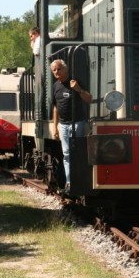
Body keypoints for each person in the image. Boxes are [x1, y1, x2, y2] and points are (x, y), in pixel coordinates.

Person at [51, 59, 92, 192]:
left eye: (59, 69)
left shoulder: (76, 82)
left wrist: (78, 89)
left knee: (78, 153)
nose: (57, 72)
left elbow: (89, 99)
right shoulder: (55, 86)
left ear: (65, 69)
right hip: (63, 125)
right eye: (54, 70)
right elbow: (55, 108)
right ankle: (70, 183)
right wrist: (54, 127)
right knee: (67, 155)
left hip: (78, 123)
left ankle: (81, 181)